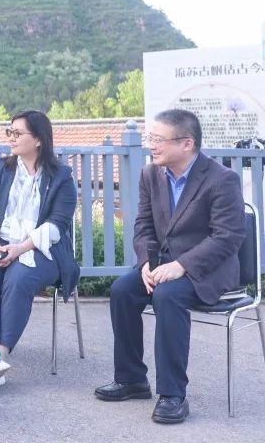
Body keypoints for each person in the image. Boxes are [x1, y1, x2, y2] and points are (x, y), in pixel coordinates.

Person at [95, 109, 244, 424]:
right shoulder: (151, 174)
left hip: (208, 270)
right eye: (150, 138)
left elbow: (227, 238)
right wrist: (146, 262)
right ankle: (132, 379)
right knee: (122, 290)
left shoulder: (222, 179)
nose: (151, 145)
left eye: (158, 139)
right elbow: (143, 225)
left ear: (186, 143)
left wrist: (182, 265)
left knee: (168, 295)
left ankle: (173, 395)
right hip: (161, 264)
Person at [0, 110, 80, 389]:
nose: (11, 138)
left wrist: (19, 249)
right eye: (10, 132)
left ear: (38, 139)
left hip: (42, 247)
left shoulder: (61, 177)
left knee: (19, 278)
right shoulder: (1, 169)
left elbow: (56, 225)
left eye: (18, 133)